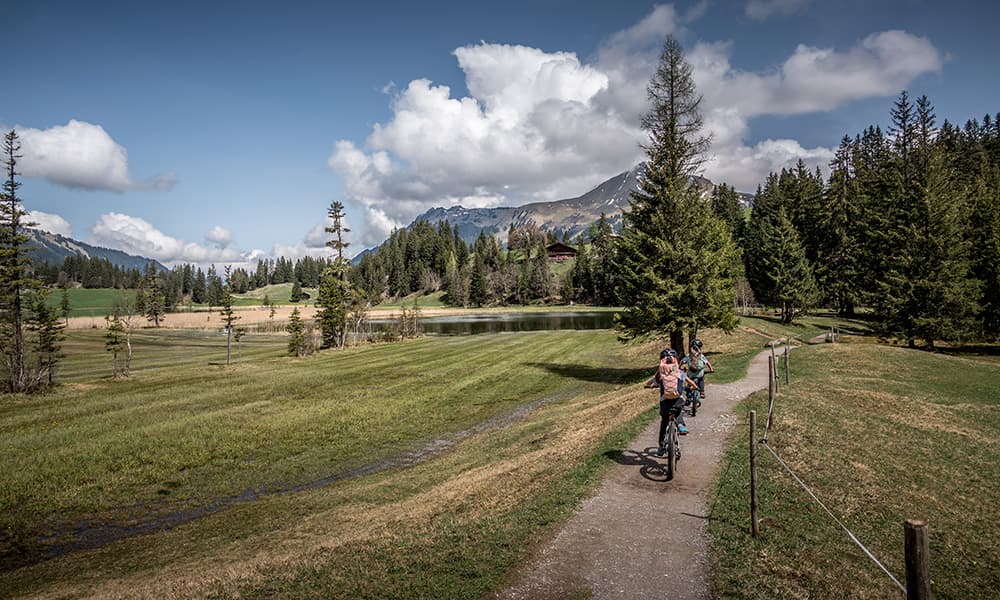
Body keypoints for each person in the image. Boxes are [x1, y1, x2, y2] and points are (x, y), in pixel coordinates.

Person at [646, 348, 688, 457]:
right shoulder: (679, 372)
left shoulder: (660, 375)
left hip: (664, 403)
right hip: (678, 401)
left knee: (664, 421)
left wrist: (648, 385)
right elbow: (685, 379)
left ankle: (661, 447)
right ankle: (681, 425)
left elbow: (651, 382)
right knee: (678, 412)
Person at [680, 338, 713, 405]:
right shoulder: (701, 355)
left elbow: (682, 362)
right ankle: (702, 392)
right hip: (699, 374)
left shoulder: (688, 356)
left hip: (690, 374)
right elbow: (707, 363)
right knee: (701, 380)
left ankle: (688, 397)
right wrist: (711, 369)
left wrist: (679, 367)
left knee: (689, 383)